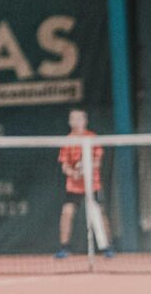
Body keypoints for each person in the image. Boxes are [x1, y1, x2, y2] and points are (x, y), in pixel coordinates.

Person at [55, 109, 114, 259]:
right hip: (73, 187)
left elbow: (97, 162)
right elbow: (64, 166)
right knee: (67, 213)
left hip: (92, 185)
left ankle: (108, 247)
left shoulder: (92, 138)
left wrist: (86, 168)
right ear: (69, 121)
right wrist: (73, 173)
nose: (76, 121)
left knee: (99, 214)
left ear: (85, 120)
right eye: (73, 118)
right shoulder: (67, 140)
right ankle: (64, 248)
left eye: (79, 118)